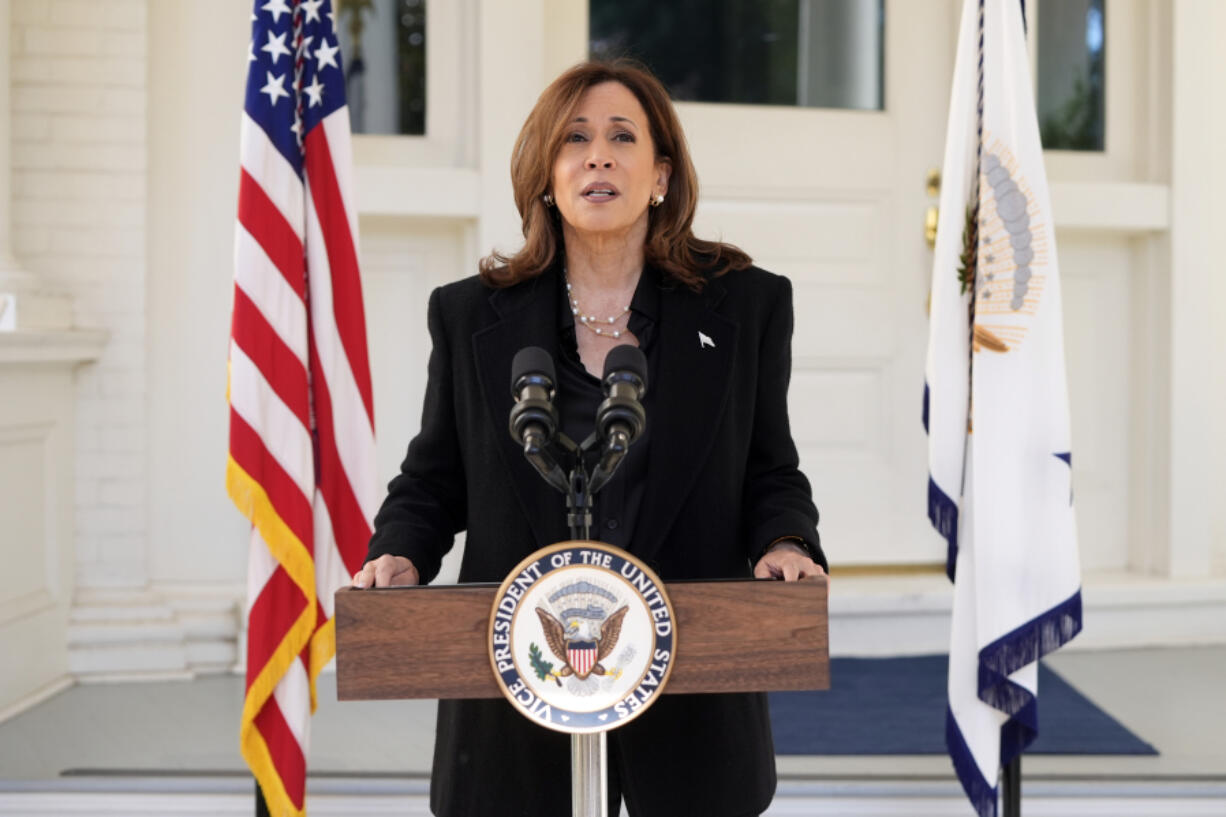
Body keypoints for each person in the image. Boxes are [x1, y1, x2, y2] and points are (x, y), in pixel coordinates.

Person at [352, 60, 827, 817]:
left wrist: (787, 541)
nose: (598, 155)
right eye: (574, 138)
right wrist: (399, 549)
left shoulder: (747, 306)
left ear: (660, 174)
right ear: (547, 174)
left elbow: (770, 467)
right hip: (520, 706)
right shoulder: (472, 315)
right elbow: (435, 476)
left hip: (690, 704)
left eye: (621, 136)